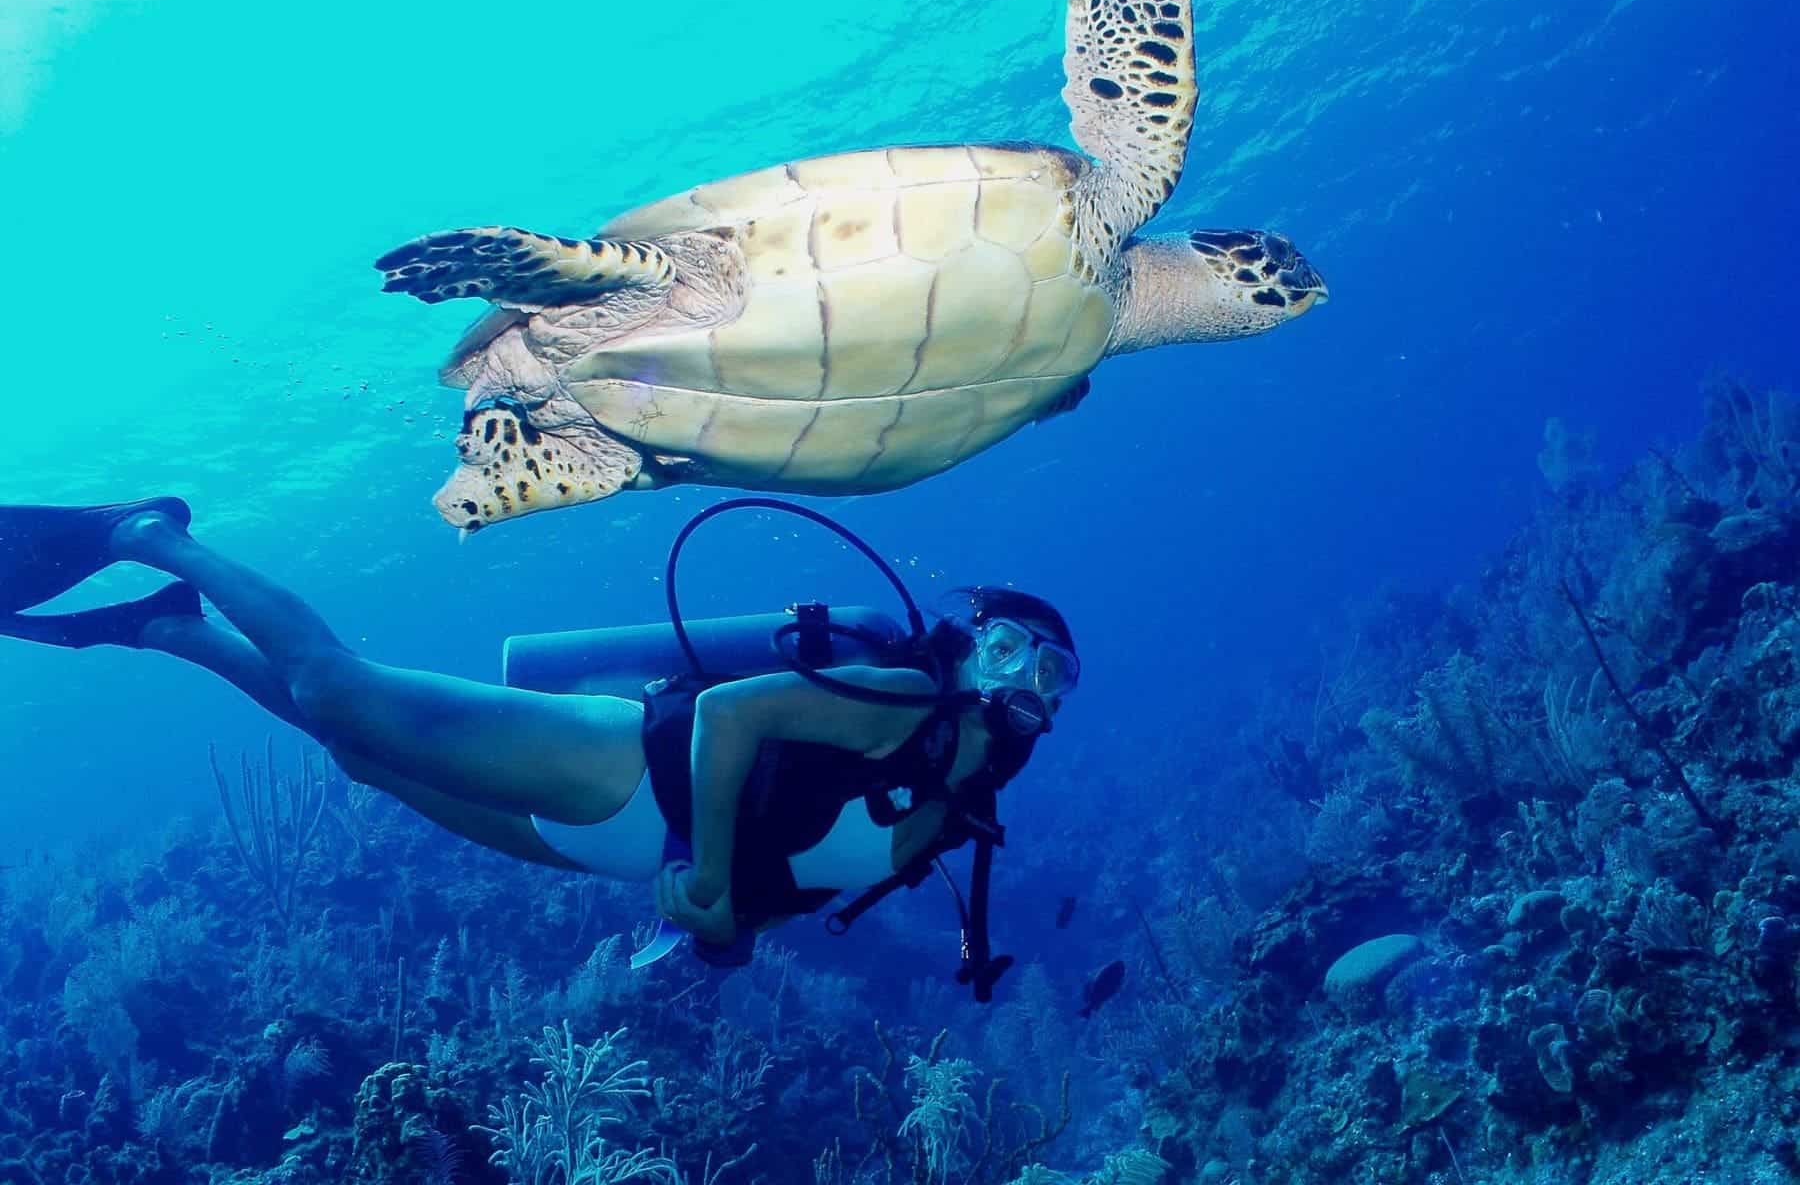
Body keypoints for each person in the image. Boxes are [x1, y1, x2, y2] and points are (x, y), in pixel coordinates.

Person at [0, 498, 1079, 972]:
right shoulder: (906, 697)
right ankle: (152, 535)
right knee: (343, 695)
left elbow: (794, 873)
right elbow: (729, 712)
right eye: (1007, 649)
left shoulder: (961, 813)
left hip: (613, 847)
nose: (1022, 680)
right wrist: (707, 867)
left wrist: (723, 928)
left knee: (361, 757)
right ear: (969, 646)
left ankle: (171, 628)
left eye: (1049, 673)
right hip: (621, 764)